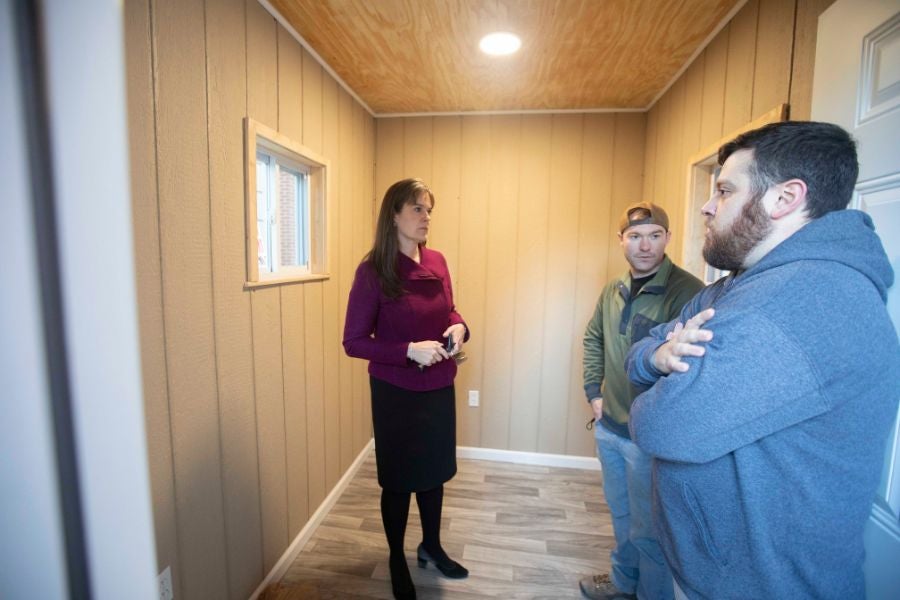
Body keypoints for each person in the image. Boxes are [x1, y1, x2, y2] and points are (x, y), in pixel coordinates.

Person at [625, 121, 900, 599]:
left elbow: (660, 426)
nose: (707, 206)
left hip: (765, 585)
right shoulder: (739, 285)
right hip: (721, 571)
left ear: (784, 198)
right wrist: (659, 357)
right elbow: (644, 349)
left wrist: (655, 383)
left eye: (726, 190)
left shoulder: (803, 301)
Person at [343, 178, 468, 600]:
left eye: (429, 210)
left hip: (438, 385)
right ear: (393, 215)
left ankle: (430, 546)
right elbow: (354, 341)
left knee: (433, 475)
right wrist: (408, 350)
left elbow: (449, 307)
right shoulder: (373, 271)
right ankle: (397, 557)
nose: (426, 217)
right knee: (398, 481)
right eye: (417, 209)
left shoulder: (437, 259)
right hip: (395, 391)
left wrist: (458, 325)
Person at [580, 202, 704, 600]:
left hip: (648, 439)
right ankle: (622, 584)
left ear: (668, 238)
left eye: (654, 235)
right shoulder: (612, 289)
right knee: (621, 516)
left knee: (649, 531)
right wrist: (594, 392)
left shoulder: (687, 292)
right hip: (610, 427)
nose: (644, 245)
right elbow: (594, 338)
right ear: (621, 241)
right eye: (635, 236)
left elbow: (689, 369)